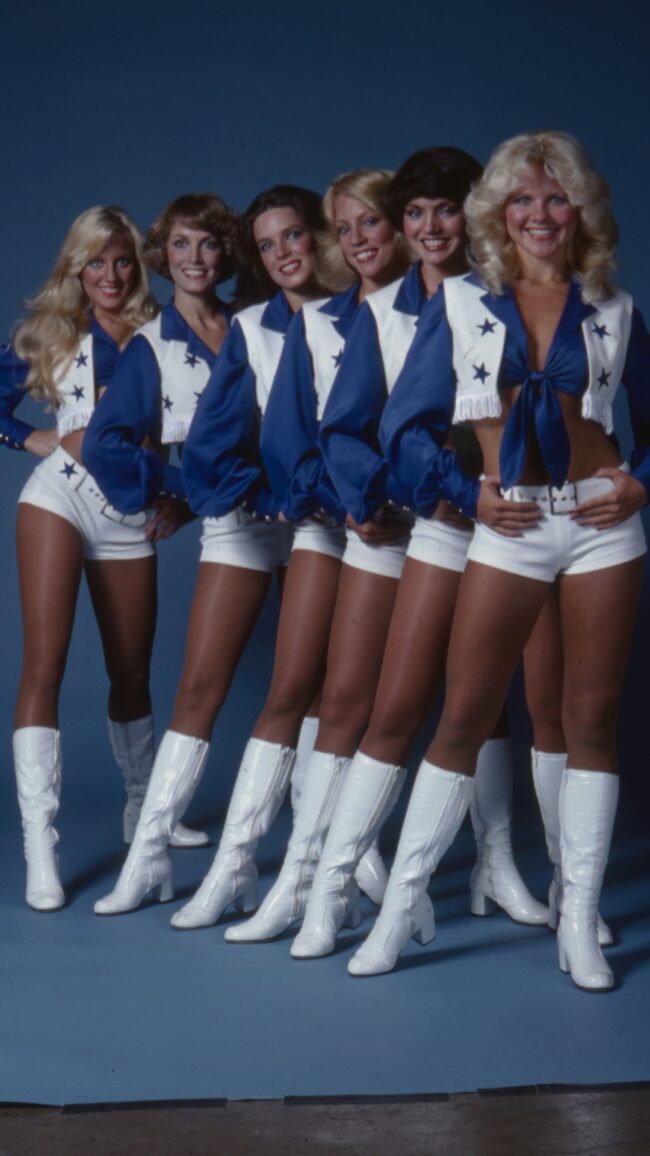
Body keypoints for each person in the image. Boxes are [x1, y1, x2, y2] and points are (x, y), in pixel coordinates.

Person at [346, 131, 648, 990]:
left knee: (588, 720)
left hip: (600, 526)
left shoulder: (613, 307)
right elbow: (403, 430)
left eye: (556, 198)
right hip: (507, 525)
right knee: (464, 717)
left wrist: (639, 485)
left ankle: (578, 921)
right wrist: (466, 490)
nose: (541, 214)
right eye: (523, 199)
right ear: (499, 213)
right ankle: (401, 911)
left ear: (580, 209)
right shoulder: (467, 307)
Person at [226, 149, 488, 950]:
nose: (370, 236)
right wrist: (367, 499)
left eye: (374, 219)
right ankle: (310, 883)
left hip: (478, 522)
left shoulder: (492, 295)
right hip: (389, 523)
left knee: (481, 706)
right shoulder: (349, 317)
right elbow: (345, 426)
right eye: (354, 227)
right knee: (351, 699)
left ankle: (488, 869)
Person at [172, 169, 411, 932]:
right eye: (267, 244)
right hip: (324, 519)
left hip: (401, 523)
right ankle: (236, 868)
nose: (283, 253)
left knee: (358, 699)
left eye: (295, 235)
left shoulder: (406, 309)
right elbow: (293, 441)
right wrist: (317, 494)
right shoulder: (287, 327)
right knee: (293, 690)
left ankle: (333, 870)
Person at [91, 186, 330, 916]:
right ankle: (149, 855)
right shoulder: (151, 346)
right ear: (162, 257)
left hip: (317, 517)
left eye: (210, 244)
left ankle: (318, 852)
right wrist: (187, 492)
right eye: (181, 245)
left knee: (315, 684)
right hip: (243, 520)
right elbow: (115, 444)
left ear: (230, 256)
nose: (196, 258)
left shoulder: (262, 322)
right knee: (201, 686)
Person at [0, 205, 197, 912]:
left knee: (131, 671)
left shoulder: (164, 333)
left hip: (131, 509)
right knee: (45, 663)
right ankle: (40, 845)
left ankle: (145, 814)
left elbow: (206, 427)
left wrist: (188, 497)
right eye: (95, 263)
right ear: (76, 269)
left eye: (121, 261)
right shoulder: (51, 335)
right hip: (60, 497)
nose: (110, 275)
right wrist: (32, 442)